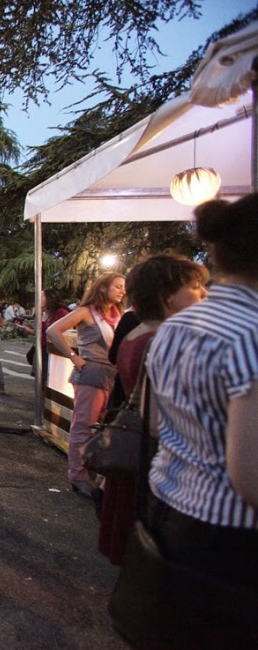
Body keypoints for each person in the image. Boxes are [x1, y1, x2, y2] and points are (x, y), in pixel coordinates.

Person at [145, 196, 258, 615]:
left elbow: (154, 424)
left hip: (168, 504)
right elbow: (249, 476)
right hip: (229, 533)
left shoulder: (175, 327)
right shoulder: (250, 334)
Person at [97, 254, 208, 565]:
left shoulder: (137, 332)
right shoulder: (163, 338)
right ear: (167, 295)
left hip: (135, 443)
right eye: (195, 287)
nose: (204, 294)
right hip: (150, 453)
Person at [46, 272, 126, 499]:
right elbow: (53, 330)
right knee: (83, 426)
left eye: (124, 287)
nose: (122, 291)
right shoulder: (86, 312)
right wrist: (73, 356)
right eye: (118, 286)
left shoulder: (118, 314)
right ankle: (78, 476)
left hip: (113, 376)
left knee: (107, 426)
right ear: (102, 288)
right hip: (91, 374)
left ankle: (97, 472)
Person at [17, 288, 70, 380]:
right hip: (40, 349)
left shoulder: (61, 312)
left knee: (48, 379)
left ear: (50, 298)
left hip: (52, 351)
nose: (38, 299)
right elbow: (39, 331)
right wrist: (26, 328)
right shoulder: (43, 313)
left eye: (41, 296)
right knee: (39, 379)